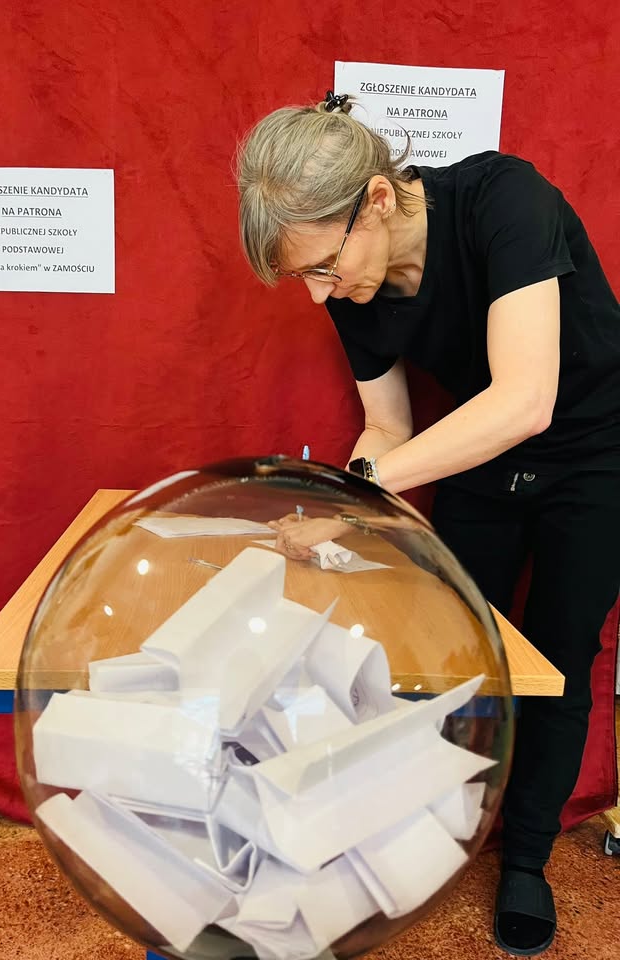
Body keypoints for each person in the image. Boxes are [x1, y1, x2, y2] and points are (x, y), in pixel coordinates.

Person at [235, 91, 620, 956]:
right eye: (303, 278)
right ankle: (430, 834)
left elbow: (525, 401)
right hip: (473, 450)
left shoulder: (505, 199)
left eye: (322, 268)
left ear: (376, 199)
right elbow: (389, 427)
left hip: (599, 451)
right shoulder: (352, 286)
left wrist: (359, 492)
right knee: (448, 647)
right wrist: (347, 506)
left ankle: (526, 860)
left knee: (559, 657)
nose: (318, 295)